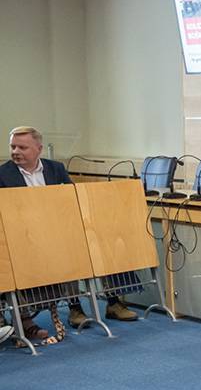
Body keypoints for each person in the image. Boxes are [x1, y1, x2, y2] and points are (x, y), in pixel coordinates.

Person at [1, 126, 138, 343]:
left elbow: (72, 198)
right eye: (13, 147)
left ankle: (111, 302)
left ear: (38, 149)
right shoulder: (3, 174)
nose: (16, 151)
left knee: (98, 240)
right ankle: (52, 313)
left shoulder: (55, 168)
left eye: (22, 147)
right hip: (24, 239)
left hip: (59, 230)